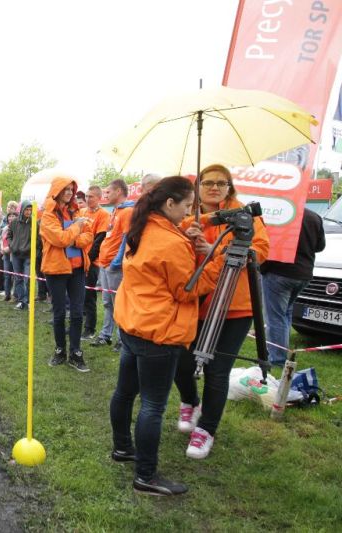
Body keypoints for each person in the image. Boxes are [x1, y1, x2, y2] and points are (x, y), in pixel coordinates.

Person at [110, 176, 218, 497]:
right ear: (169, 204)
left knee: (125, 392)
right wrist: (218, 262)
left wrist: (184, 237)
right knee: (153, 406)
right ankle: (145, 475)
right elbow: (189, 290)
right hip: (159, 332)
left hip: (133, 324)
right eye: (186, 206)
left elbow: (157, 265)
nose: (188, 213)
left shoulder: (144, 227)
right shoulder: (169, 242)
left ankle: (122, 449)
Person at [173, 164, 269, 460]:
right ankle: (190, 400)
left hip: (235, 307)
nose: (214, 187)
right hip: (195, 303)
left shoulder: (246, 213)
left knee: (217, 371)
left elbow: (260, 252)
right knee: (181, 362)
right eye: (208, 182)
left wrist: (211, 250)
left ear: (230, 187)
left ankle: (207, 429)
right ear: (198, 186)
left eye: (221, 183)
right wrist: (189, 237)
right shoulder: (190, 217)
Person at [40, 177, 94, 371]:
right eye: (66, 189)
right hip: (56, 270)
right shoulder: (48, 215)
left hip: (78, 268)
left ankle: (76, 352)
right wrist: (76, 228)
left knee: (78, 312)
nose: (70, 192)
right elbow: (59, 239)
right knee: (59, 312)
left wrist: (75, 238)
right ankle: (60, 350)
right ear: (57, 190)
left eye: (72, 189)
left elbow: (89, 236)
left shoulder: (76, 211)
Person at [261, 209, 325, 368]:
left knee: (275, 317)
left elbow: (269, 243)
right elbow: (320, 246)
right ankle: (282, 352)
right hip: (303, 274)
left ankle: (277, 359)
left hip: (279, 272)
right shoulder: (314, 216)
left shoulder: (282, 214)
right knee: (285, 314)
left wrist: (263, 268)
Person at [91, 179, 135, 348]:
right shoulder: (116, 211)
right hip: (104, 264)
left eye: (108, 192)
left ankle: (121, 339)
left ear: (118, 192)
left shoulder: (128, 212)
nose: (105, 195)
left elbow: (127, 239)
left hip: (113, 266)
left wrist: (115, 263)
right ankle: (105, 335)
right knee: (107, 302)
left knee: (119, 303)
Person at [80, 185, 110, 339]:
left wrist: (87, 259)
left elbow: (99, 240)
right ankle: (78, 323)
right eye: (86, 196)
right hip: (79, 258)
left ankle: (90, 329)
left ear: (99, 198)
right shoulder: (82, 212)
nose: (87, 199)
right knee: (77, 294)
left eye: (91, 196)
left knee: (89, 295)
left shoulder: (104, 215)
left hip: (92, 261)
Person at [8, 201, 33, 310]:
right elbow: (9, 235)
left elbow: (38, 240)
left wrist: (34, 252)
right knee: (18, 278)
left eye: (30, 210)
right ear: (22, 210)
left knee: (27, 279)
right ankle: (21, 300)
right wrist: (11, 245)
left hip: (28, 255)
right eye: (26, 209)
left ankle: (27, 300)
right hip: (16, 254)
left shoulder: (34, 223)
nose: (28, 212)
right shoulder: (14, 222)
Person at [0, 211, 18, 302]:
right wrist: (2, 248)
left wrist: (8, 249)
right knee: (7, 275)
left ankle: (15, 295)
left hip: (14, 254)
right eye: (9, 216)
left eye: (13, 216)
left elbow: (16, 241)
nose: (11, 218)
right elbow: (2, 239)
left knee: (16, 275)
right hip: (5, 255)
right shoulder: (5, 228)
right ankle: (7, 295)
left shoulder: (18, 228)